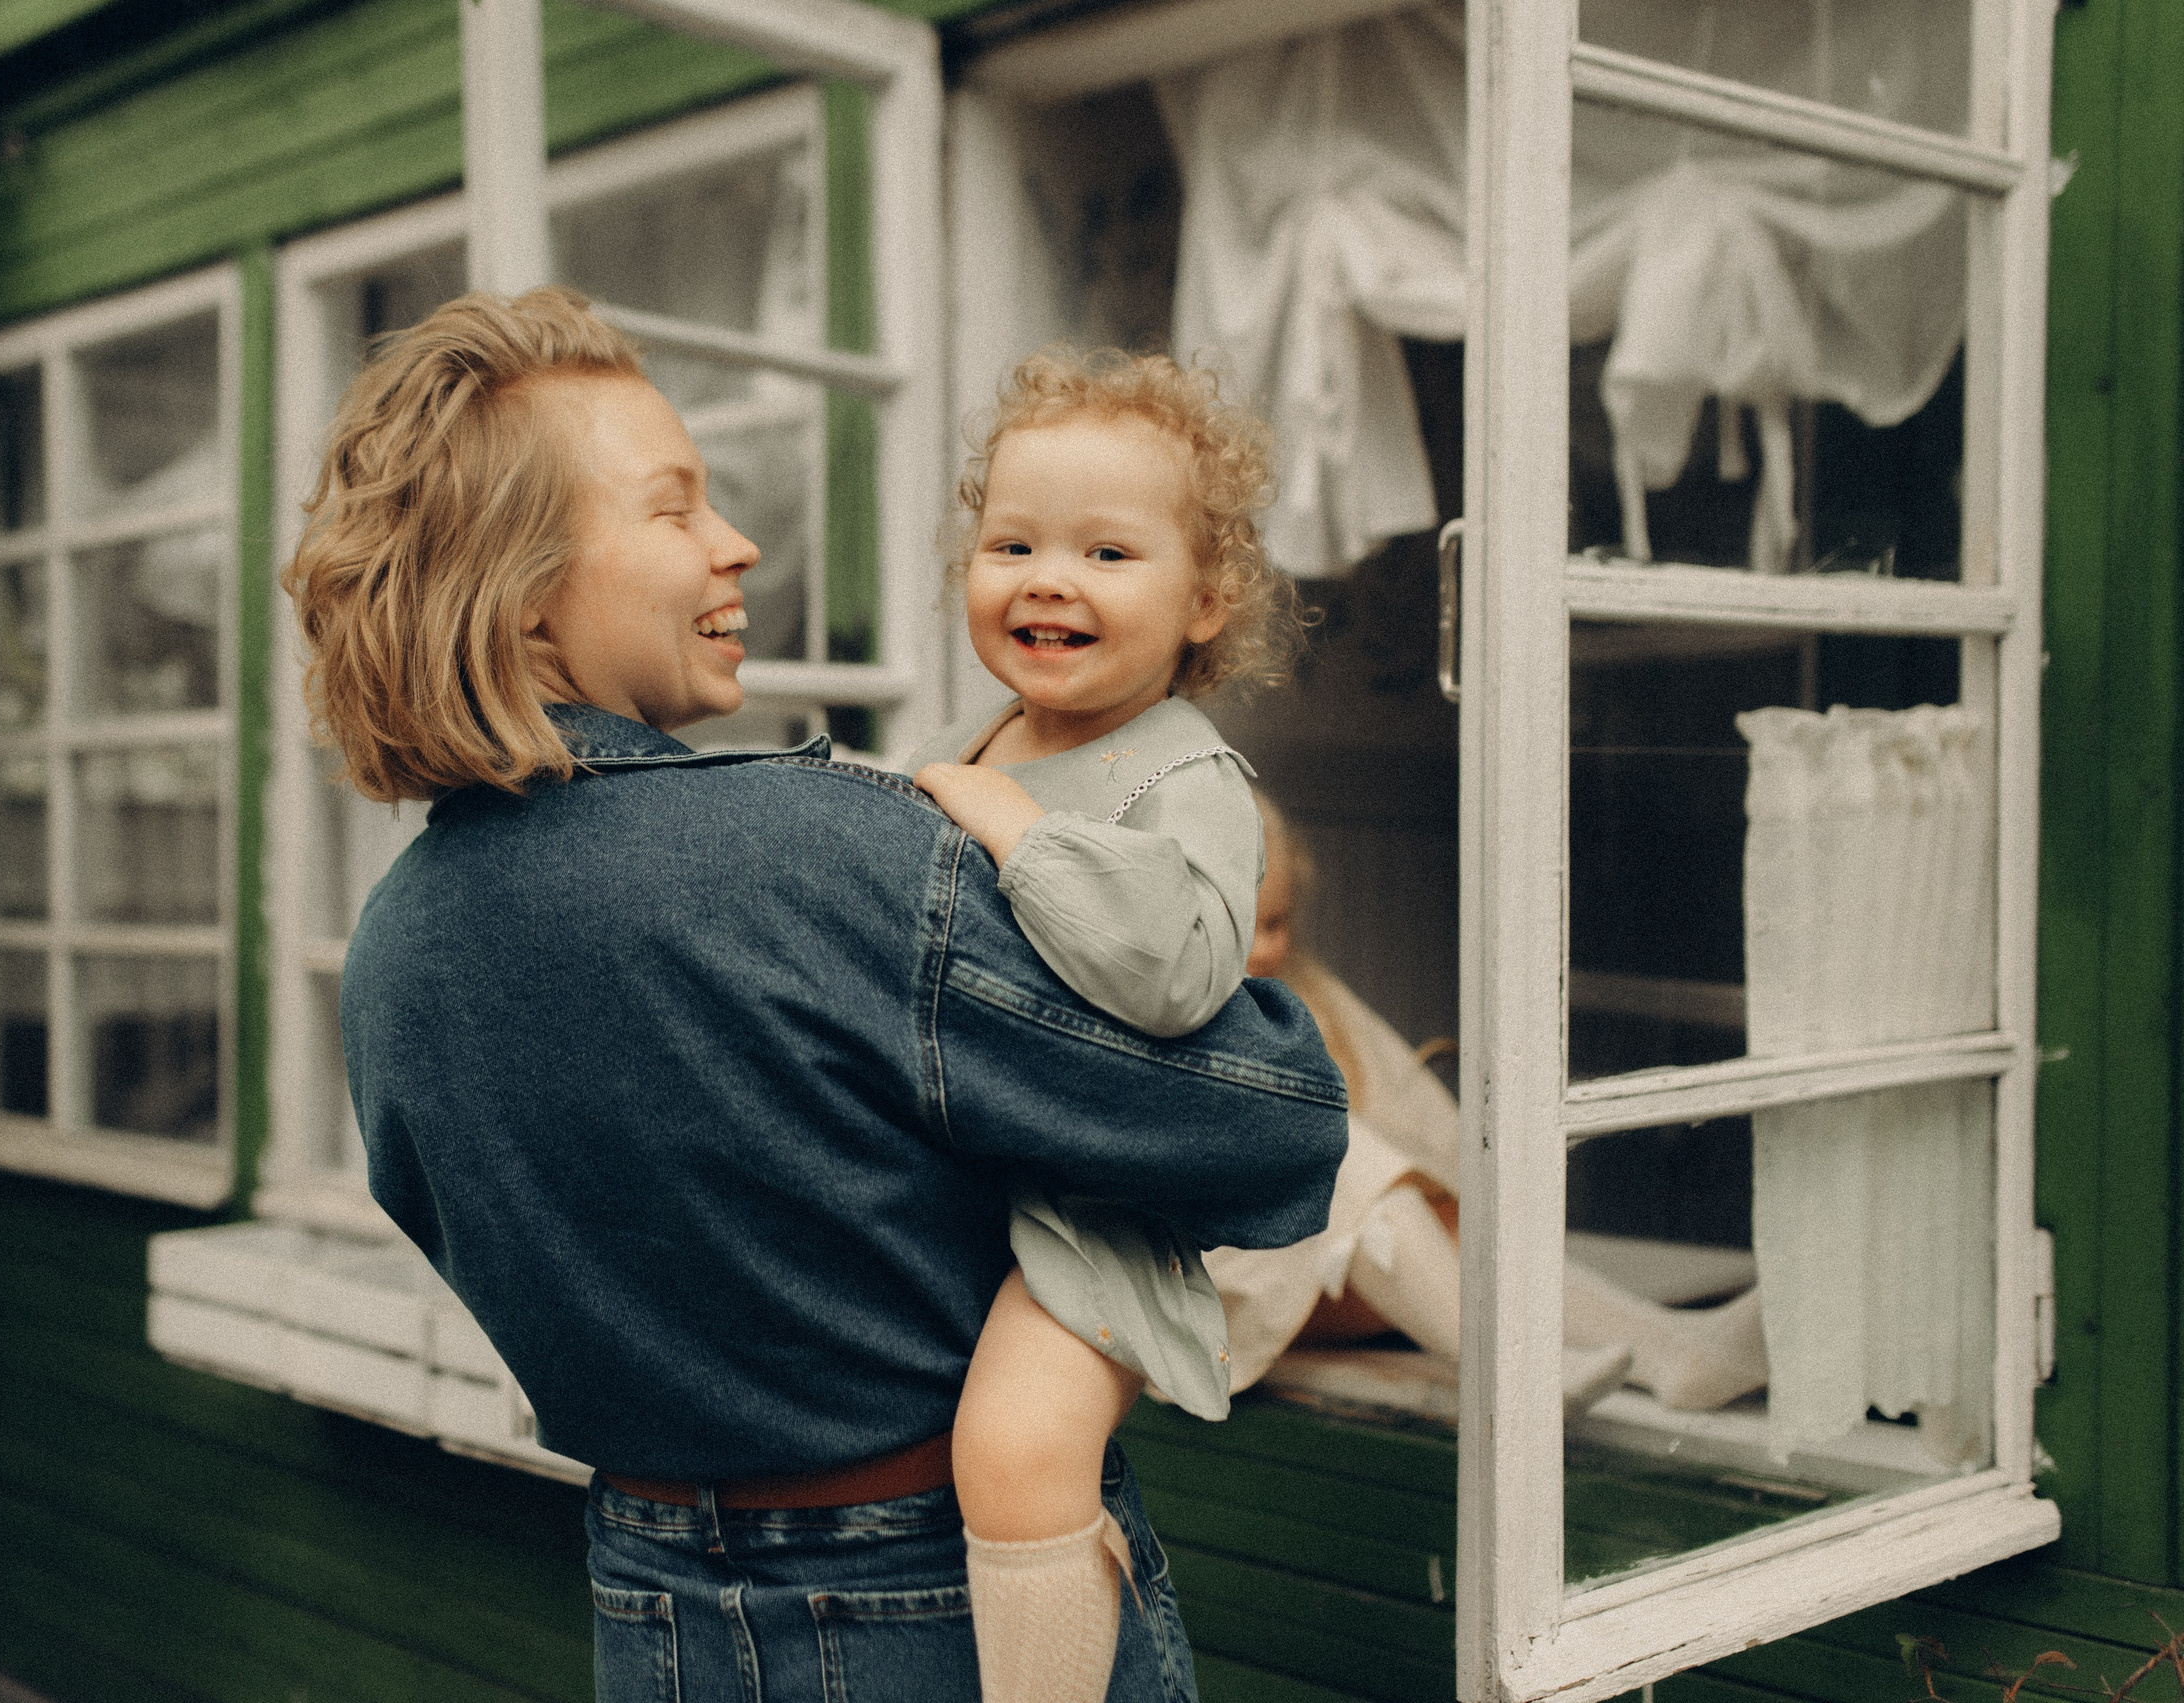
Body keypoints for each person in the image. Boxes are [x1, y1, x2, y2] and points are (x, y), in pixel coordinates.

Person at [281, 286, 1349, 1703]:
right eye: (675, 510)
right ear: (522, 587)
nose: (740, 541)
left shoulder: (398, 945)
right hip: (932, 1589)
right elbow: (1271, 1124)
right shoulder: (835, 851)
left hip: (643, 1590)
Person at [903, 348, 1301, 1703]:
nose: (1046, 575)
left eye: (1107, 549)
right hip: (960, 1176)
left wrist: (1015, 829)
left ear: (1207, 596)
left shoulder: (1186, 772)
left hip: (1096, 1211)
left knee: (1015, 1448)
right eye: (1010, 539)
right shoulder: (992, 731)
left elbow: (1185, 968)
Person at [1208, 793, 1769, 1414]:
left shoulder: (1300, 992)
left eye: (1276, 923)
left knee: (1453, 1222)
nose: (1263, 949)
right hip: (1226, 1286)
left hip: (1326, 1266)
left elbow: (1414, 1114)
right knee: (1330, 1146)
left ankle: (1674, 1350)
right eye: (1241, 925)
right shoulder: (1163, 1026)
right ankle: (1509, 1370)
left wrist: (1446, 1196)